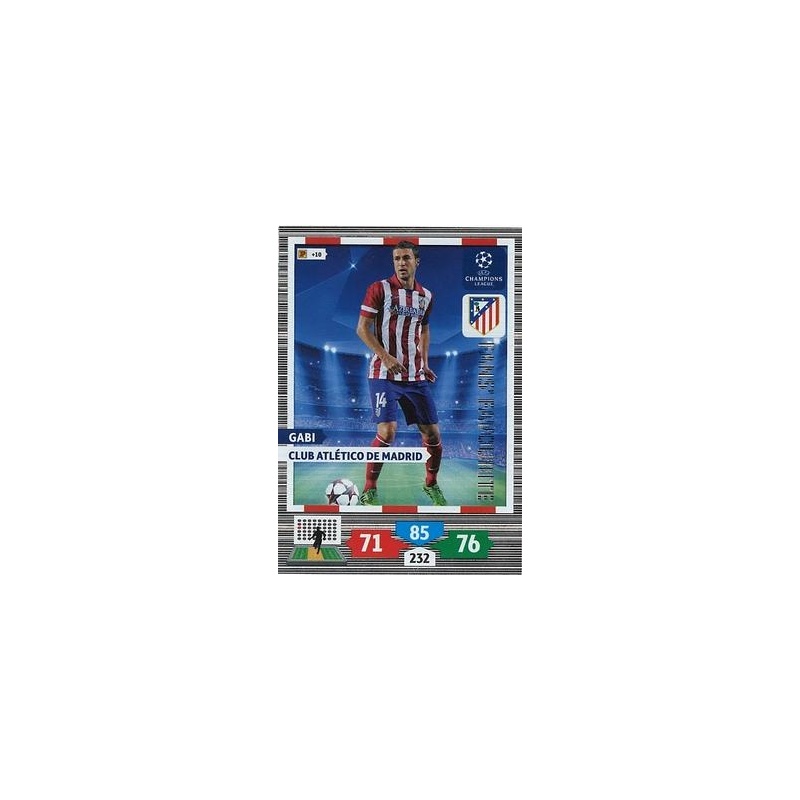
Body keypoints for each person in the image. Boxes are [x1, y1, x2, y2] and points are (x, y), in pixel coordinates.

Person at [355, 241, 447, 506]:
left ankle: (431, 484)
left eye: (406, 258)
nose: (401, 263)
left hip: (415, 376)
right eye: (396, 259)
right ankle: (369, 490)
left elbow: (424, 329)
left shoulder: (426, 296)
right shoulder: (379, 289)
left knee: (432, 435)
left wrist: (425, 363)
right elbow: (362, 328)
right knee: (387, 431)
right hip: (383, 373)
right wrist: (386, 357)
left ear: (417, 261)